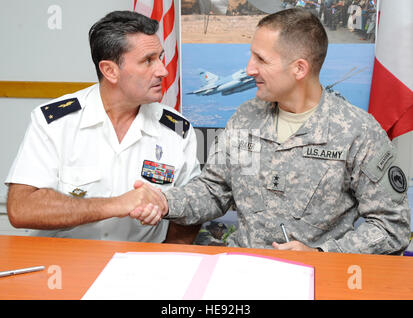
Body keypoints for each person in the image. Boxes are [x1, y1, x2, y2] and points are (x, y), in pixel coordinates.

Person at [133, 8, 411, 254]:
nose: (249, 68)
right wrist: (164, 201)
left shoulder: (358, 131)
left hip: (318, 279)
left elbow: (390, 227)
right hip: (243, 270)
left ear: (299, 68)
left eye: (261, 60)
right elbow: (214, 192)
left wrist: (322, 254)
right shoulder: (246, 117)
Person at [5, 11, 201, 243]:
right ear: (110, 71)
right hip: (65, 265)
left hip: (142, 266)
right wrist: (116, 205)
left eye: (160, 57)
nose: (163, 70)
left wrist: (164, 259)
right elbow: (21, 208)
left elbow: (193, 210)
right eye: (148, 61)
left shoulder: (177, 129)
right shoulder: (56, 122)